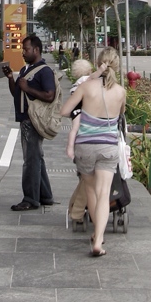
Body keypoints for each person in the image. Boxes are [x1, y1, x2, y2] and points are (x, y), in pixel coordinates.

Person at [59, 46, 127, 257]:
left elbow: (64, 111)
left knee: (90, 191)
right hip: (108, 147)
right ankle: (98, 240)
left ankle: (97, 233)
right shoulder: (121, 91)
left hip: (85, 146)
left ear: (98, 63)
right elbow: (121, 115)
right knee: (104, 194)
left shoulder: (86, 87)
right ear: (117, 66)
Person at [4, 34, 56, 211]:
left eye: (26, 49)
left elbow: (50, 95)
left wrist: (28, 88)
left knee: (31, 160)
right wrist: (11, 78)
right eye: (22, 49)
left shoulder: (44, 71)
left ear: (36, 50)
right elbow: (17, 93)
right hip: (25, 120)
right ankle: (45, 195)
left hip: (33, 120)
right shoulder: (26, 70)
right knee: (36, 158)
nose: (23, 53)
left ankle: (30, 199)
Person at [62, 59, 94, 227]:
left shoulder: (75, 91)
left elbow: (73, 123)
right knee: (90, 180)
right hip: (93, 139)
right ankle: (77, 210)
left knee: (85, 178)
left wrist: (70, 147)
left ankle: (75, 207)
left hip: (81, 142)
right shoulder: (91, 88)